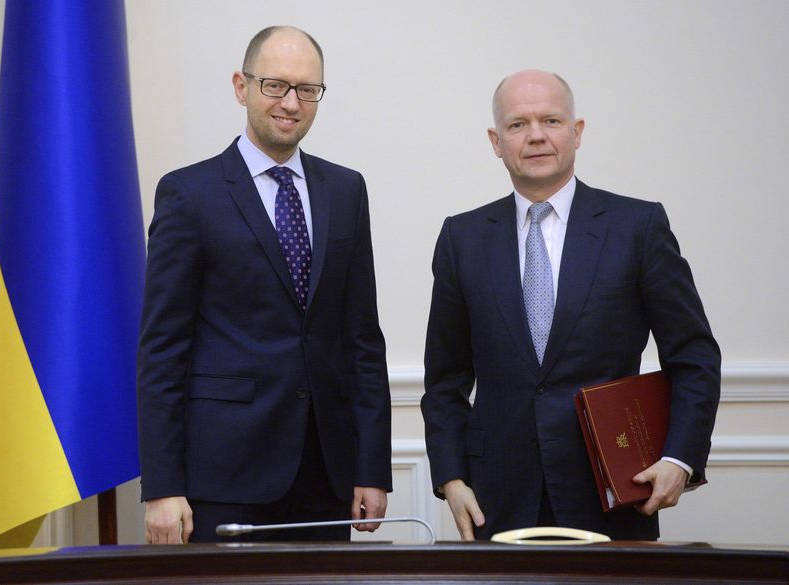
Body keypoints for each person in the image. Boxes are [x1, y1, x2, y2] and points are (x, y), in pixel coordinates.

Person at [421, 69, 720, 541]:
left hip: (612, 493)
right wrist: (451, 478)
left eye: (551, 121)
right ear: (496, 141)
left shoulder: (636, 227)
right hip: (495, 501)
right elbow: (444, 380)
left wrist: (680, 458)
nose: (536, 135)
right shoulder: (462, 238)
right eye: (518, 125)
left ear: (577, 133)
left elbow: (694, 356)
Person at [137, 26, 391, 544]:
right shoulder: (189, 195)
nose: (291, 103)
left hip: (327, 473)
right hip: (223, 476)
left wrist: (372, 466)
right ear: (241, 86)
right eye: (275, 85)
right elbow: (161, 350)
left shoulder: (346, 190)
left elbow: (362, 339)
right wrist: (162, 487)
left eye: (307, 89)